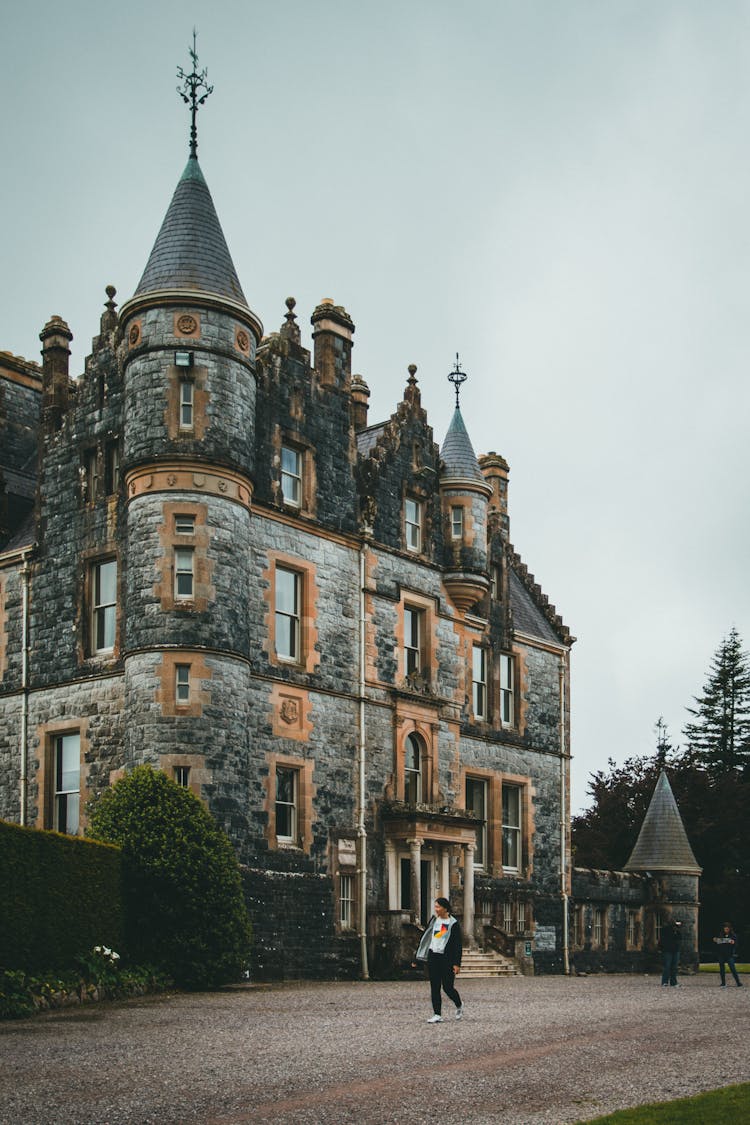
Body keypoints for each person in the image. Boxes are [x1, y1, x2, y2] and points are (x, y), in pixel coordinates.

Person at [412, 897, 463, 1023]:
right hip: (433, 956)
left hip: (446, 959)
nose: (436, 909)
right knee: (434, 986)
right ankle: (437, 1014)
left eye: (438, 907)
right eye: (435, 906)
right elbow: (426, 939)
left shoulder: (453, 924)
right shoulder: (434, 921)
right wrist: (417, 958)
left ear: (445, 908)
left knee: (448, 987)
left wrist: (457, 963)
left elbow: (457, 945)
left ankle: (459, 1004)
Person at [713, 922, 743, 988]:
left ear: (729, 929)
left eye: (727, 929)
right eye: (725, 929)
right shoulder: (721, 934)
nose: (726, 930)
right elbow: (716, 940)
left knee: (732, 968)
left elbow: (736, 944)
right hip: (721, 954)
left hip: (729, 954)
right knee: (722, 969)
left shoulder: (733, 935)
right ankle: (723, 983)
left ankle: (738, 982)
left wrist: (733, 942)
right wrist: (716, 940)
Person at [658, 918, 682, 986]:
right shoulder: (665, 930)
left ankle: (673, 982)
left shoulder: (676, 931)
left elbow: (680, 938)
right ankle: (665, 981)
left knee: (674, 967)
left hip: (675, 950)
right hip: (667, 950)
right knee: (667, 966)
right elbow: (662, 940)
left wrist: (677, 930)